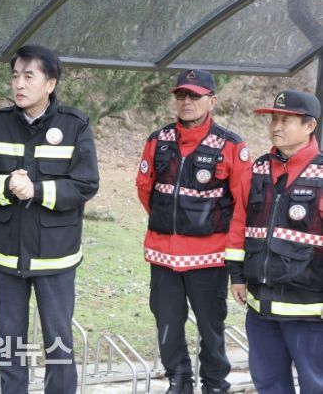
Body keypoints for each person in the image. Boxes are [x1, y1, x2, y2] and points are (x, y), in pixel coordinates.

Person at [0, 45, 99, 393]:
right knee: (9, 343)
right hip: (7, 255)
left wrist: (36, 190)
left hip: (55, 256)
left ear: (50, 83)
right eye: (15, 76)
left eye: (29, 76)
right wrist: (6, 185)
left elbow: (85, 184)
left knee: (58, 342)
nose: (19, 84)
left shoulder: (74, 125)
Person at [135, 69, 251, 394]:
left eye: (194, 96)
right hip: (163, 255)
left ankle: (214, 385)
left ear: (212, 101)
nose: (186, 102)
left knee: (211, 327)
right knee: (167, 323)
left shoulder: (231, 145)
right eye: (181, 95)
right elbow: (145, 189)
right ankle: (178, 381)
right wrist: (171, 220)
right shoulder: (157, 140)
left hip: (209, 257)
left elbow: (243, 203)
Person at [226, 90, 323, 394]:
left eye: (285, 120)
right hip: (261, 309)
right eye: (274, 119)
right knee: (268, 384)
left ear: (310, 126)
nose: (276, 126)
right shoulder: (256, 170)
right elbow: (238, 224)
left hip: (309, 312)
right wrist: (236, 276)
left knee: (316, 384)